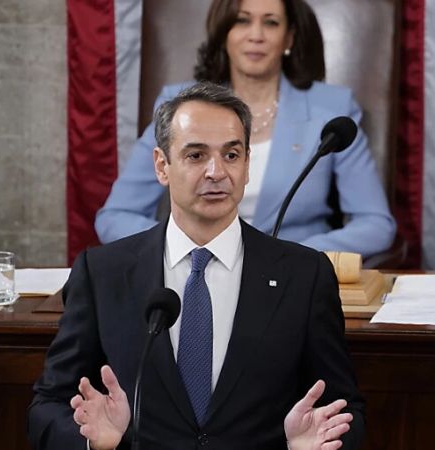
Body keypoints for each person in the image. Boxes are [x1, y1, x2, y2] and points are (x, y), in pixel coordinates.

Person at [28, 82, 365, 449]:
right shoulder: (103, 272)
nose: (216, 172)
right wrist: (96, 445)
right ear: (162, 165)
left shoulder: (304, 274)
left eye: (232, 155)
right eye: (196, 155)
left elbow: (343, 411)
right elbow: (48, 406)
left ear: (247, 163)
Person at [95, 0, 395, 259]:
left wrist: (293, 254)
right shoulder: (179, 107)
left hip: (289, 274)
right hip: (194, 271)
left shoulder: (332, 109)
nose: (256, 36)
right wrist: (185, 244)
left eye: (271, 23)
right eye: (242, 21)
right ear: (224, 32)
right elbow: (115, 218)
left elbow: (376, 225)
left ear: (289, 38)